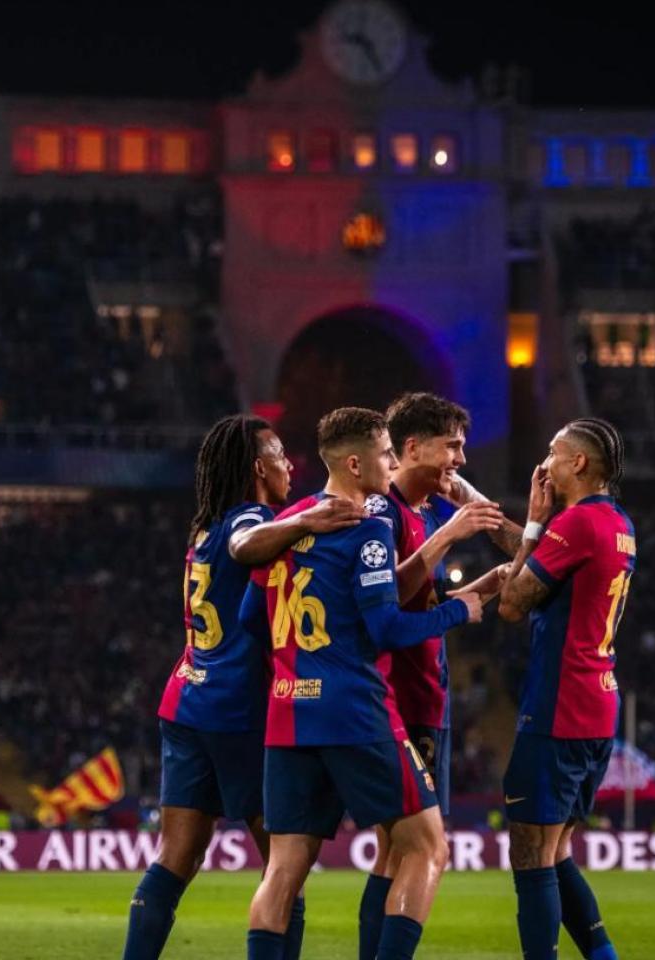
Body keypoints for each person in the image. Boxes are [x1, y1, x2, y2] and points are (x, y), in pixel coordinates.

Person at [245, 407, 494, 960]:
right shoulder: (370, 528)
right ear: (355, 464)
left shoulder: (294, 521)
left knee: (282, 869)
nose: (390, 464)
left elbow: (249, 618)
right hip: (356, 712)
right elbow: (385, 628)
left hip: (287, 713)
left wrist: (298, 666)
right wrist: (461, 612)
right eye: (384, 455)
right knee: (426, 848)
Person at [125, 413, 363, 960]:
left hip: (186, 699)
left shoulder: (203, 525)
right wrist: (308, 523)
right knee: (285, 871)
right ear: (259, 467)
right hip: (239, 712)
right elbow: (246, 545)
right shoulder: (248, 519)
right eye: (280, 455)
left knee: (175, 860)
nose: (290, 465)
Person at [358, 392, 510, 960]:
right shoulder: (383, 512)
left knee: (395, 853)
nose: (461, 460)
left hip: (424, 697)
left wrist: (477, 589)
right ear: (412, 447)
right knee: (424, 850)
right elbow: (384, 603)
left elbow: (420, 601)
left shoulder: (419, 514)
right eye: (453, 446)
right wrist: (454, 532)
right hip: (398, 701)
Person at [497, 417, 633, 960]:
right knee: (555, 852)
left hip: (559, 706)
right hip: (597, 704)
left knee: (531, 852)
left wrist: (532, 525)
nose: (544, 464)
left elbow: (511, 602)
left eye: (553, 453)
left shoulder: (574, 524)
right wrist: (486, 512)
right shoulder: (616, 521)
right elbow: (546, 561)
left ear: (578, 463)